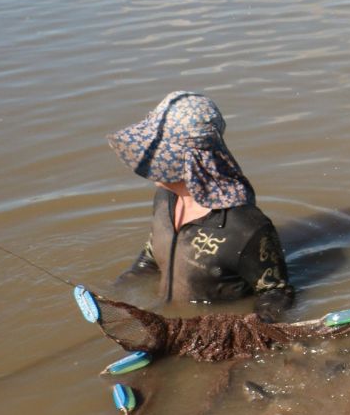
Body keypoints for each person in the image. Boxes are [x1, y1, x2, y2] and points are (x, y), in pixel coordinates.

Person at [107, 90, 294, 322]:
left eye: (158, 151)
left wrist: (243, 331)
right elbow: (151, 256)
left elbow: (276, 293)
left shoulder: (246, 228)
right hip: (169, 321)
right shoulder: (164, 198)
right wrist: (116, 291)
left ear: (190, 162)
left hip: (213, 333)